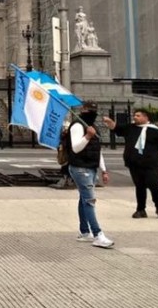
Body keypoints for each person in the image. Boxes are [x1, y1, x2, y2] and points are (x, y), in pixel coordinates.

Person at [104, 109, 158, 219]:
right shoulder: (131, 128)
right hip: (134, 163)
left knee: (154, 185)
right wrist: (109, 122)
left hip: (150, 163)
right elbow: (116, 128)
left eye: (138, 115)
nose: (135, 117)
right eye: (135, 115)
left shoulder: (155, 131)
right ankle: (141, 209)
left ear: (146, 117)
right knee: (140, 186)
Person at [67, 102, 114, 249]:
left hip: (91, 167)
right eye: (89, 110)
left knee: (84, 200)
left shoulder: (93, 127)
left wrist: (103, 169)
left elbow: (97, 150)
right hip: (80, 168)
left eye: (94, 110)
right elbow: (75, 148)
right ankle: (97, 234)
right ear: (82, 110)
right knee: (89, 201)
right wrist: (87, 136)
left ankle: (84, 231)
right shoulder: (77, 126)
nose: (92, 112)